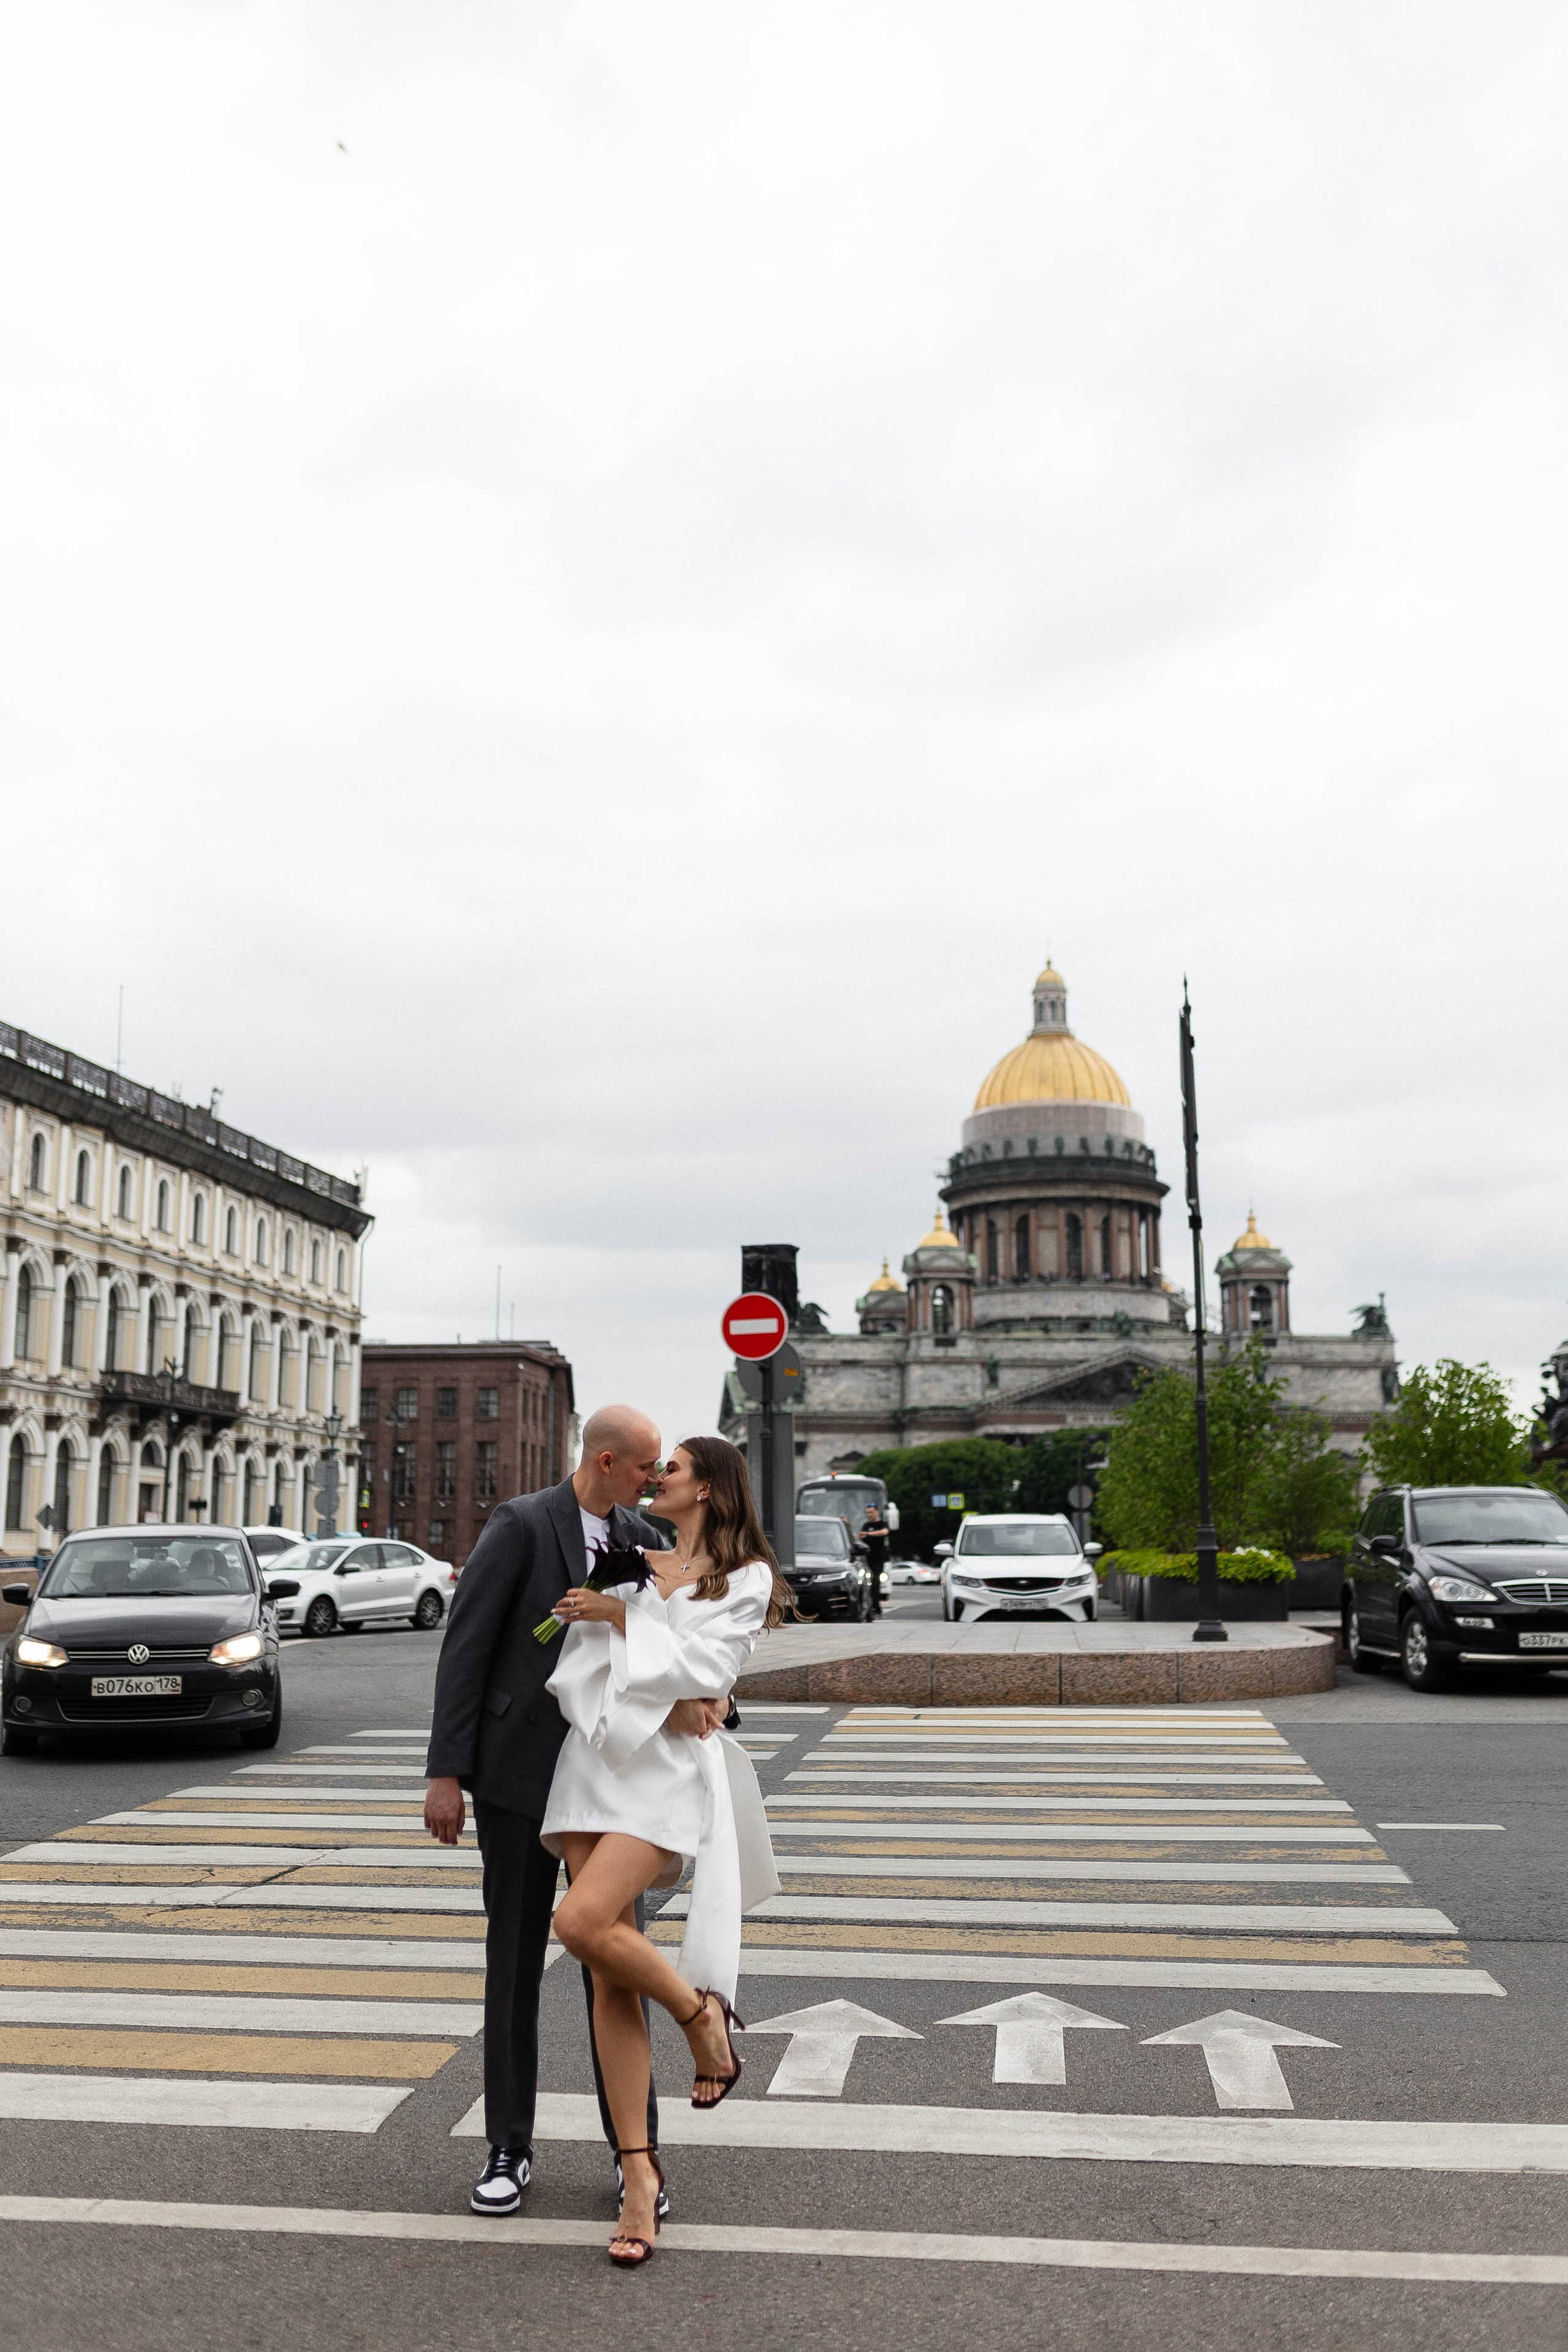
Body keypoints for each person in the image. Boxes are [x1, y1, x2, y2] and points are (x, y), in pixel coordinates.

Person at [423, 1404, 717, 2220]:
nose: (656, 1480)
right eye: (647, 1465)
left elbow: (675, 1641)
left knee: (615, 1966)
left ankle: (634, 2156)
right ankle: (508, 2149)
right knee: (514, 1964)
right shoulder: (521, 1525)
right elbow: (466, 1650)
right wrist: (446, 1773)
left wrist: (712, 1697)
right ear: (608, 1461)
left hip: (609, 1786)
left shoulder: (641, 1536)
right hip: (519, 1777)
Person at [543, 1433, 790, 2267]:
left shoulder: (746, 1579)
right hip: (594, 1762)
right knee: (609, 1973)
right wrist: (636, 1647)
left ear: (708, 1487)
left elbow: (711, 1666)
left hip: (666, 1778)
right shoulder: (631, 1563)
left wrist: (628, 1630)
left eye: (671, 1469)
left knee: (580, 1923)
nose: (656, 1478)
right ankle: (639, 2176)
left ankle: (697, 2016)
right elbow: (586, 1666)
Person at [859, 1504, 891, 1616]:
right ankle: (868, 1607)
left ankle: (876, 1608)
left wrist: (869, 1534)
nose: (869, 1515)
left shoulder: (882, 1524)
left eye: (871, 1512)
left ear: (877, 1512)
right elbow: (861, 1539)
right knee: (866, 1584)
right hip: (867, 1559)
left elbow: (884, 1532)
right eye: (868, 1513)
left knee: (876, 1584)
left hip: (878, 1559)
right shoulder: (866, 1525)